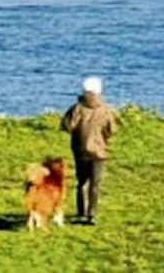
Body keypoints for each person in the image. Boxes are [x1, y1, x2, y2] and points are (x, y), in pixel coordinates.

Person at [60, 75, 117, 225]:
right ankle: (92, 215)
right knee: (95, 183)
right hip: (99, 151)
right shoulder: (106, 109)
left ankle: (81, 212)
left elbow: (67, 126)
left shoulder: (77, 108)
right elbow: (111, 130)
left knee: (81, 182)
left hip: (80, 150)